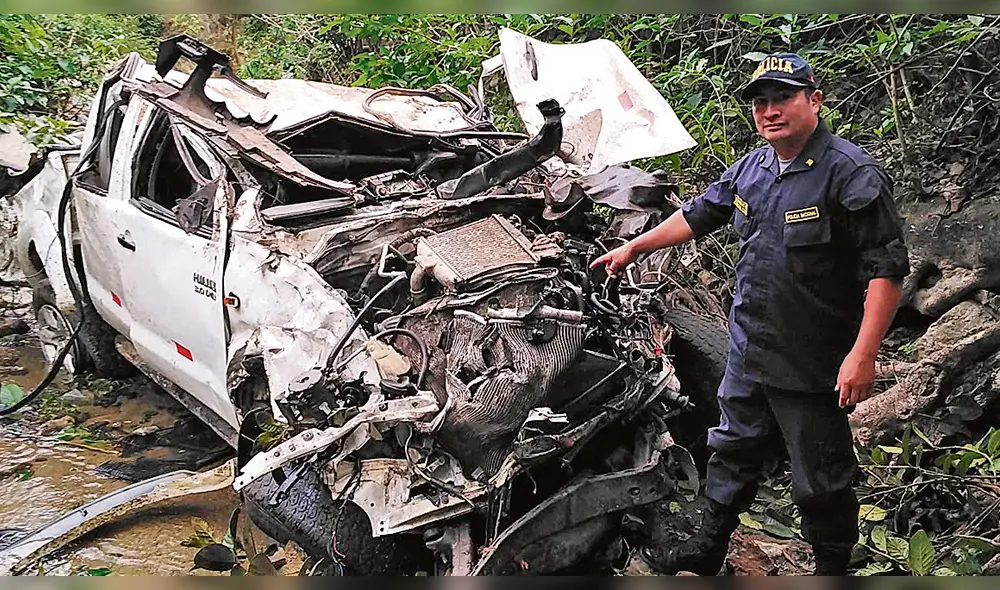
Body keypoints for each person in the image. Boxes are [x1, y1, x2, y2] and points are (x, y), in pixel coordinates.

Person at [591, 52, 910, 576]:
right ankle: (709, 547)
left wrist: (864, 354)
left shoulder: (850, 174)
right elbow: (698, 214)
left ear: (814, 100)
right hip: (749, 347)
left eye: (782, 98)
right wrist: (635, 248)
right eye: (761, 103)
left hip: (813, 360)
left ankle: (831, 566)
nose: (770, 111)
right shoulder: (753, 167)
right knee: (731, 447)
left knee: (820, 478)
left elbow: (887, 270)